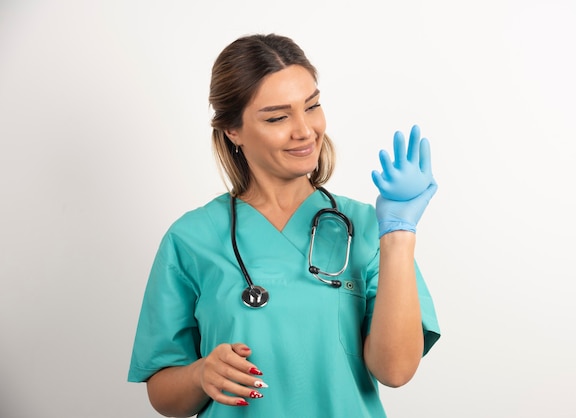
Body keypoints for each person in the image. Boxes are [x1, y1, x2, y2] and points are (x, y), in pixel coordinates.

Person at [128, 33, 440, 418]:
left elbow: (395, 371)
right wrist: (199, 375)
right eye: (277, 117)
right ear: (233, 130)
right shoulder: (191, 239)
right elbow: (162, 395)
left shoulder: (366, 227)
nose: (304, 130)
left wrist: (398, 235)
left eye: (312, 106)